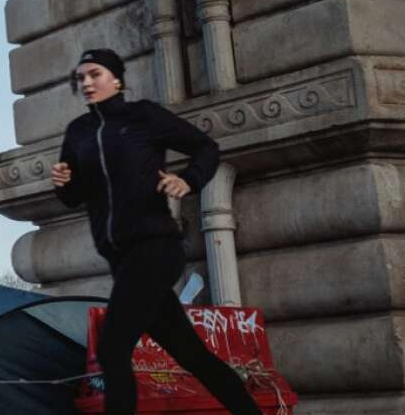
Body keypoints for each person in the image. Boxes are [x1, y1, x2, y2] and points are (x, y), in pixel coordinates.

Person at [51, 48, 259, 415]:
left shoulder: (142, 116)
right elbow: (75, 196)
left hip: (155, 246)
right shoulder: (78, 133)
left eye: (94, 74)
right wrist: (63, 183)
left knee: (113, 349)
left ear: (116, 79)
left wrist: (187, 180)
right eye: (80, 77)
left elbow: (205, 148)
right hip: (121, 258)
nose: (85, 82)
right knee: (191, 354)